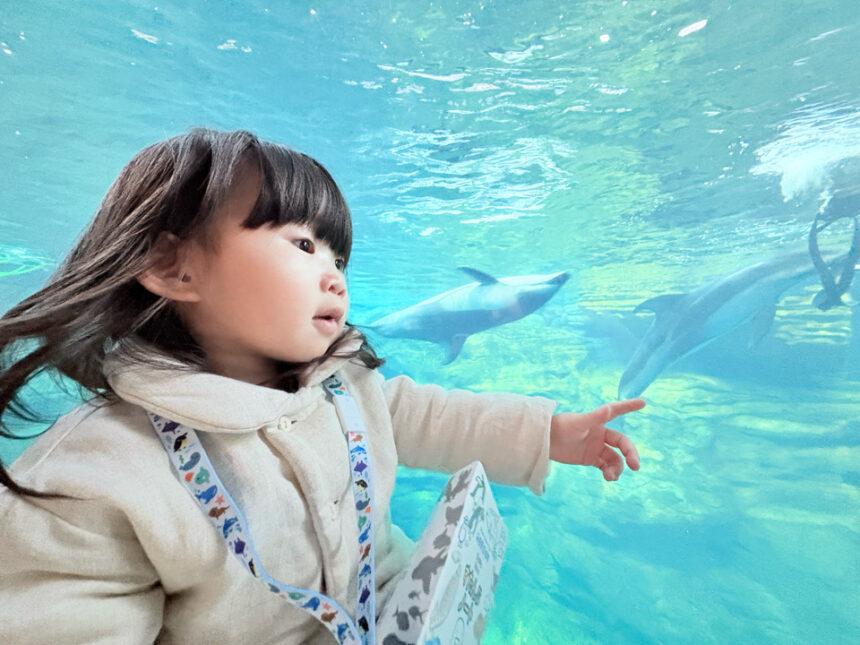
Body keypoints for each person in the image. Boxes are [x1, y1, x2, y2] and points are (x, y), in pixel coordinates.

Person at [0, 129, 644, 644]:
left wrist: (544, 433)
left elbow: (423, 415)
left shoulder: (344, 389)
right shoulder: (91, 481)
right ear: (173, 266)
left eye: (339, 258)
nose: (336, 276)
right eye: (304, 245)